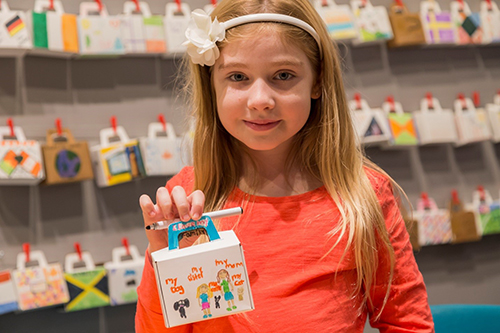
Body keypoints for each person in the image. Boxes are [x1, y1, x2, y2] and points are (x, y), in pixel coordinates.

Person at [135, 0, 434, 332]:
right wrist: (163, 262)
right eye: (238, 76)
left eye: (283, 75)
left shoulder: (363, 196)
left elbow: (408, 323)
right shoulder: (190, 199)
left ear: (317, 81)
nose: (260, 99)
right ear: (212, 86)